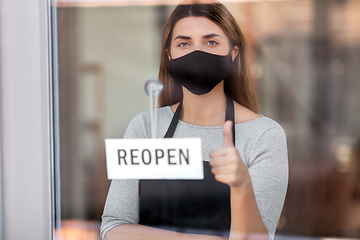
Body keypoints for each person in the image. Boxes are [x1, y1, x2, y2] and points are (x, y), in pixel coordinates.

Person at [100, 1, 288, 240]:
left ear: (234, 52)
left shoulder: (263, 135)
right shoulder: (146, 128)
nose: (196, 53)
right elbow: (113, 228)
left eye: (211, 42)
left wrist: (242, 185)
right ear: (169, 55)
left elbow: (259, 238)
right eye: (184, 43)